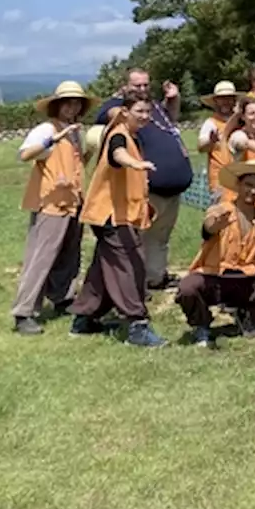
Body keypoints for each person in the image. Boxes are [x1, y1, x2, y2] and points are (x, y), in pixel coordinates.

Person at [72, 89, 167, 347]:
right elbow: (117, 155)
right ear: (125, 112)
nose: (145, 116)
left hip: (119, 215)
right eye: (140, 112)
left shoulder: (132, 135)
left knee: (105, 267)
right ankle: (137, 325)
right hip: (110, 216)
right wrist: (136, 165)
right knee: (129, 266)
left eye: (148, 112)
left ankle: (84, 319)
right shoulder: (119, 135)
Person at [96, 67, 193, 291]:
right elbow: (106, 117)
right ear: (125, 86)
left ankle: (155, 277)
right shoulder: (120, 108)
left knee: (160, 238)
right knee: (138, 237)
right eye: (136, 85)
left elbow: (171, 119)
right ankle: (134, 283)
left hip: (173, 188)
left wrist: (174, 99)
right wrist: (124, 105)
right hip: (149, 187)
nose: (142, 89)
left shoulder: (153, 107)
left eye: (145, 85)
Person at [177, 161, 255, 346]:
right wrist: (215, 226)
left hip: (247, 278)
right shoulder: (221, 210)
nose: (253, 191)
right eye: (248, 185)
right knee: (187, 288)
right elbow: (208, 227)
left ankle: (251, 318)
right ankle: (202, 323)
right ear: (239, 185)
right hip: (216, 276)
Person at [12, 81, 95, 335]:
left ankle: (63, 297)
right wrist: (52, 139)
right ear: (57, 105)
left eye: (77, 102)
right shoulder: (46, 129)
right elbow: (24, 155)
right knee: (42, 257)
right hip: (50, 204)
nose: (73, 106)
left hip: (72, 202)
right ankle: (24, 311)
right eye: (68, 102)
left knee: (69, 255)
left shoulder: (74, 132)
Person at [198, 80, 241, 199]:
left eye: (229, 98)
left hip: (243, 179)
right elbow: (201, 147)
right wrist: (210, 141)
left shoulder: (242, 122)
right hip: (220, 182)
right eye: (222, 98)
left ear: (234, 100)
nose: (225, 102)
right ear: (216, 101)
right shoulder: (211, 123)